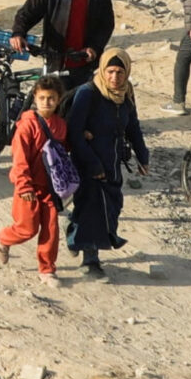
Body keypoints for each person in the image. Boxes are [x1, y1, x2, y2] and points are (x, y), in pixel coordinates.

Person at [65, 50, 147, 279]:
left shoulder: (125, 93)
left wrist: (143, 155)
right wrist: (92, 164)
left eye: (120, 72)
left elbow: (133, 126)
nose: (114, 77)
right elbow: (74, 132)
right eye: (110, 71)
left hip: (112, 163)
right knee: (94, 209)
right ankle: (90, 261)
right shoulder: (88, 93)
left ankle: (74, 234)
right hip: (87, 162)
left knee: (112, 207)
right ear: (102, 70)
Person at [11, 0, 114, 97]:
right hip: (57, 62)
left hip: (86, 64)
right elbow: (28, 12)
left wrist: (95, 47)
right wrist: (18, 33)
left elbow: (107, 23)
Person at [0, 77, 71, 285]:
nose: (46, 102)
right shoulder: (27, 126)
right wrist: (23, 185)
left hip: (50, 187)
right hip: (28, 187)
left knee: (51, 229)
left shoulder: (61, 126)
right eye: (42, 98)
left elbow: (64, 151)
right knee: (27, 228)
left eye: (51, 98)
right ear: (35, 99)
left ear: (58, 100)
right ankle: (3, 237)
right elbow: (19, 159)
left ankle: (47, 269)